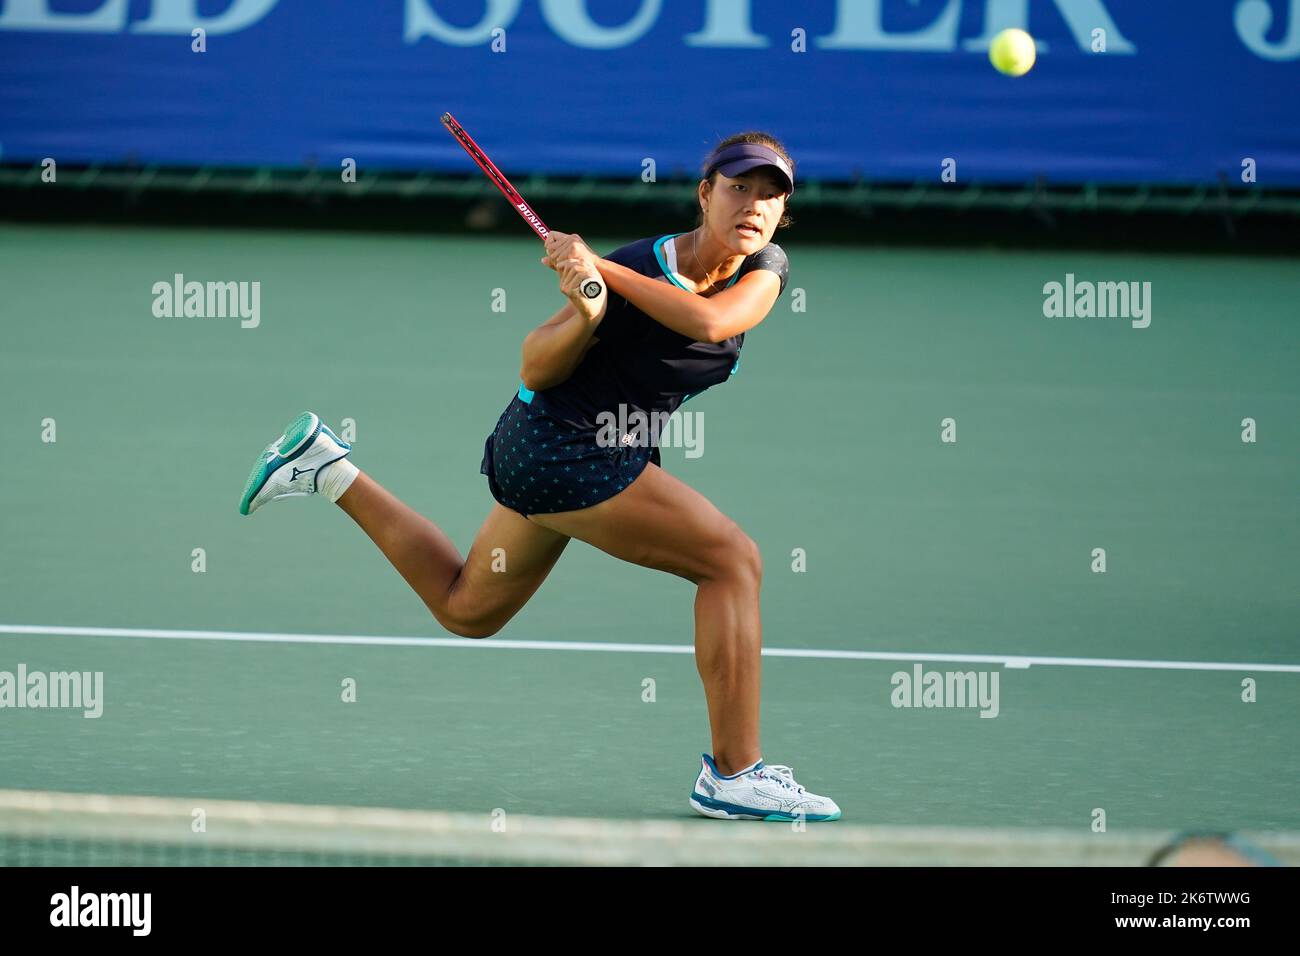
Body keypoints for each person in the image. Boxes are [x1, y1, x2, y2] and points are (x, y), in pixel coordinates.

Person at [238, 132, 840, 822]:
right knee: (732, 562)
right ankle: (734, 775)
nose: (755, 206)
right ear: (706, 194)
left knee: (467, 609)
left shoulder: (761, 268)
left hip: (594, 453)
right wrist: (587, 313)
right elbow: (535, 367)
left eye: (772, 194)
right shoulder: (638, 264)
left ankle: (327, 468)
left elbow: (710, 322)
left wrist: (601, 275)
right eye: (740, 188)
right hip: (557, 449)